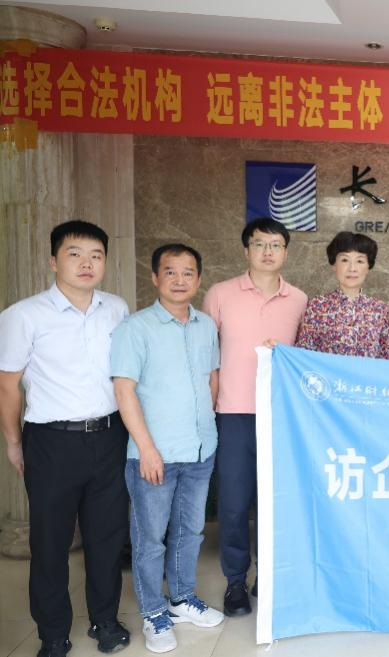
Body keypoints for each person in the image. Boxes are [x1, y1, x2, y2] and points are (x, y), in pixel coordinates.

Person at [0, 220, 131, 657]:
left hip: (109, 436)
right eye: (75, 254)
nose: (86, 263)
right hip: (51, 442)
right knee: (50, 543)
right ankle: (53, 633)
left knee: (106, 538)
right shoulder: (23, 315)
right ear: (53, 261)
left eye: (96, 255)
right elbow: (7, 385)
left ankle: (105, 621)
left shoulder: (116, 309)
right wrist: (14, 442)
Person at [111, 244, 224, 654]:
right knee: (150, 539)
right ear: (155, 277)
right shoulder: (135, 328)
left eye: (188, 272)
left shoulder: (206, 326)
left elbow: (212, 379)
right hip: (154, 453)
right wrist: (146, 449)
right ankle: (154, 612)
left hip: (200, 450)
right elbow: (124, 390)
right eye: (170, 272)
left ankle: (181, 599)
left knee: (190, 531)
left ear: (198, 279)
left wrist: (207, 429)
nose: (180, 280)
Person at [202, 218, 308, 617]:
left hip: (282, 416)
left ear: (286, 252)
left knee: (275, 501)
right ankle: (235, 581)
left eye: (275, 245)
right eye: (260, 244)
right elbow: (205, 356)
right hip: (233, 414)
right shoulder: (220, 294)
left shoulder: (299, 300)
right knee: (232, 503)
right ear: (246, 249)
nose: (267, 251)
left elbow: (304, 358)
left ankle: (269, 573)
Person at [296, 231, 389, 358]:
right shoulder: (317, 306)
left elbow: (385, 357)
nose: (352, 268)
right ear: (334, 265)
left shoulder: (379, 309)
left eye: (360, 261)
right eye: (345, 260)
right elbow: (304, 354)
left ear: (368, 267)